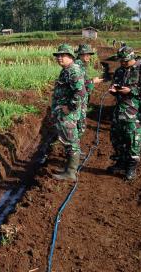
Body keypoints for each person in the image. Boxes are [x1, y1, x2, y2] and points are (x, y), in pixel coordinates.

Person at [107, 46, 141, 180]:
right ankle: (120, 162)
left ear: (132, 58)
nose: (122, 63)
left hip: (135, 113)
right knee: (117, 138)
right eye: (121, 61)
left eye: (125, 61)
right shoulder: (119, 71)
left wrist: (132, 91)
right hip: (119, 111)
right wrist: (113, 89)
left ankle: (131, 168)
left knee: (133, 139)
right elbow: (115, 84)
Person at [50, 44, 86, 181]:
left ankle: (70, 173)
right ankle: (68, 169)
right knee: (68, 140)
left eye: (62, 55)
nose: (59, 58)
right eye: (58, 55)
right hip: (64, 114)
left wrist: (70, 107)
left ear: (70, 56)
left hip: (68, 115)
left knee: (71, 142)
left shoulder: (73, 71)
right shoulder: (67, 70)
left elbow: (80, 92)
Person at [75, 44, 103, 140]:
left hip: (82, 97)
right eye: (85, 54)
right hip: (78, 98)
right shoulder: (77, 65)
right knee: (80, 124)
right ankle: (74, 147)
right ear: (80, 54)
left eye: (89, 54)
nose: (88, 56)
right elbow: (78, 82)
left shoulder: (81, 64)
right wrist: (92, 81)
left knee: (80, 122)